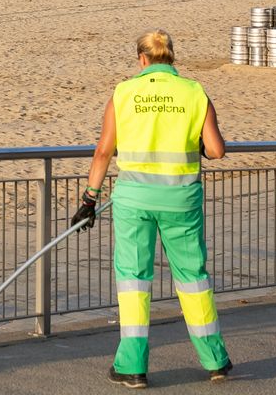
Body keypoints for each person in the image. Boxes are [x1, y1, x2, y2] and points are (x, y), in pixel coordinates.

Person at [72, 30, 232, 388]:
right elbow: (217, 150)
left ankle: (132, 366)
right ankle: (215, 359)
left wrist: (89, 199)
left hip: (134, 201)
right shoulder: (194, 92)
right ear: (171, 58)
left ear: (141, 59)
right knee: (193, 279)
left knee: (134, 280)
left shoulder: (124, 92)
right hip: (181, 200)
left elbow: (103, 151)